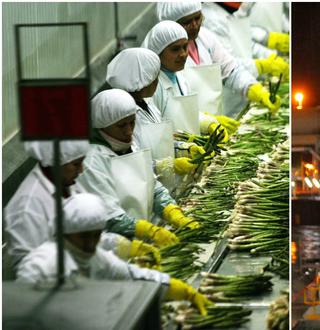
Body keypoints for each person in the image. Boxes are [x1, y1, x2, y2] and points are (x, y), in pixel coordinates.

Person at [16, 193, 212, 315]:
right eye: (84, 237)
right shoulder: (40, 266)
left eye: (95, 236)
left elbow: (133, 275)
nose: (90, 244)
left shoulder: (95, 258)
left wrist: (175, 287)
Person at [3, 140, 160, 270]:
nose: (81, 170)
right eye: (76, 164)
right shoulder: (28, 208)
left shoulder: (67, 184)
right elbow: (29, 272)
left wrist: (125, 247)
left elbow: (88, 234)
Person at [76, 89, 199, 248]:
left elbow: (151, 186)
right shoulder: (92, 161)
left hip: (148, 240)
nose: (129, 131)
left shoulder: (129, 144)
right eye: (121, 126)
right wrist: (148, 231)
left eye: (132, 122)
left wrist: (172, 212)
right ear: (103, 126)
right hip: (121, 249)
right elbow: (110, 218)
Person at [156, 2, 281, 117]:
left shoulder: (205, 37)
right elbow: (171, 105)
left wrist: (254, 89)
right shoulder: (163, 53)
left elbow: (231, 70)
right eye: (187, 22)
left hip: (218, 124)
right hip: (186, 132)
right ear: (170, 24)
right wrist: (205, 122)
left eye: (197, 18)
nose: (194, 25)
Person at [105, 47, 205, 177]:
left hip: (166, 183)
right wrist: (165, 166)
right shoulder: (125, 118)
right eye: (155, 78)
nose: (157, 82)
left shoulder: (148, 103)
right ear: (144, 80)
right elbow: (132, 163)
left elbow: (160, 143)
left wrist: (182, 148)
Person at [141, 20, 231, 144]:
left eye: (185, 46)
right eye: (175, 49)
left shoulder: (179, 77)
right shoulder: (152, 88)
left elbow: (186, 115)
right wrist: (181, 150)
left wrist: (208, 123)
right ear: (158, 53)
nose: (183, 54)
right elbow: (154, 137)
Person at [201, 2, 289, 79]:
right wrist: (261, 66)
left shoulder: (232, 11)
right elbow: (225, 64)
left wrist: (269, 56)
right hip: (230, 90)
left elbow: (243, 43)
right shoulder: (212, 19)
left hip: (245, 79)